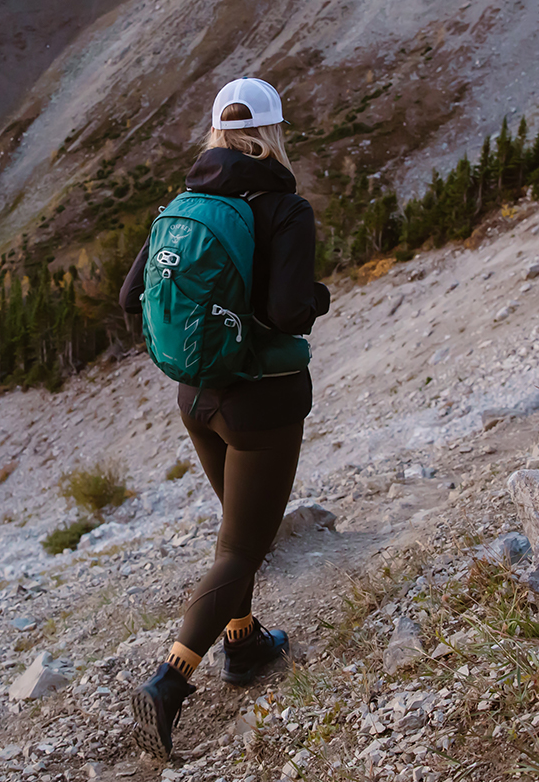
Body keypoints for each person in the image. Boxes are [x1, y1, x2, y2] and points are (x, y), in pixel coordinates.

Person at [118, 77, 331, 759]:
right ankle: (167, 684)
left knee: (234, 534)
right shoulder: (284, 208)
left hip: (195, 396)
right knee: (242, 548)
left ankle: (242, 645)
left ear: (215, 133)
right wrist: (319, 295)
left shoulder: (183, 202)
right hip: (262, 401)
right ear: (272, 134)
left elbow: (131, 296)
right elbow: (289, 311)